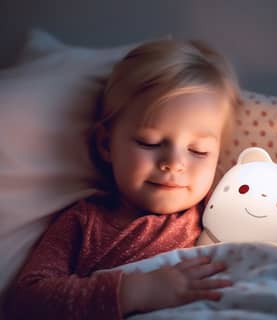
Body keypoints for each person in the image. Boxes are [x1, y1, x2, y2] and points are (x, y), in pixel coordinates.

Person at [5, 39, 241, 319]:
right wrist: (133, 291)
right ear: (106, 145)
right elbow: (27, 299)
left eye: (198, 151)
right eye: (149, 143)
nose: (174, 164)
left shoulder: (216, 211)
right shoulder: (83, 223)